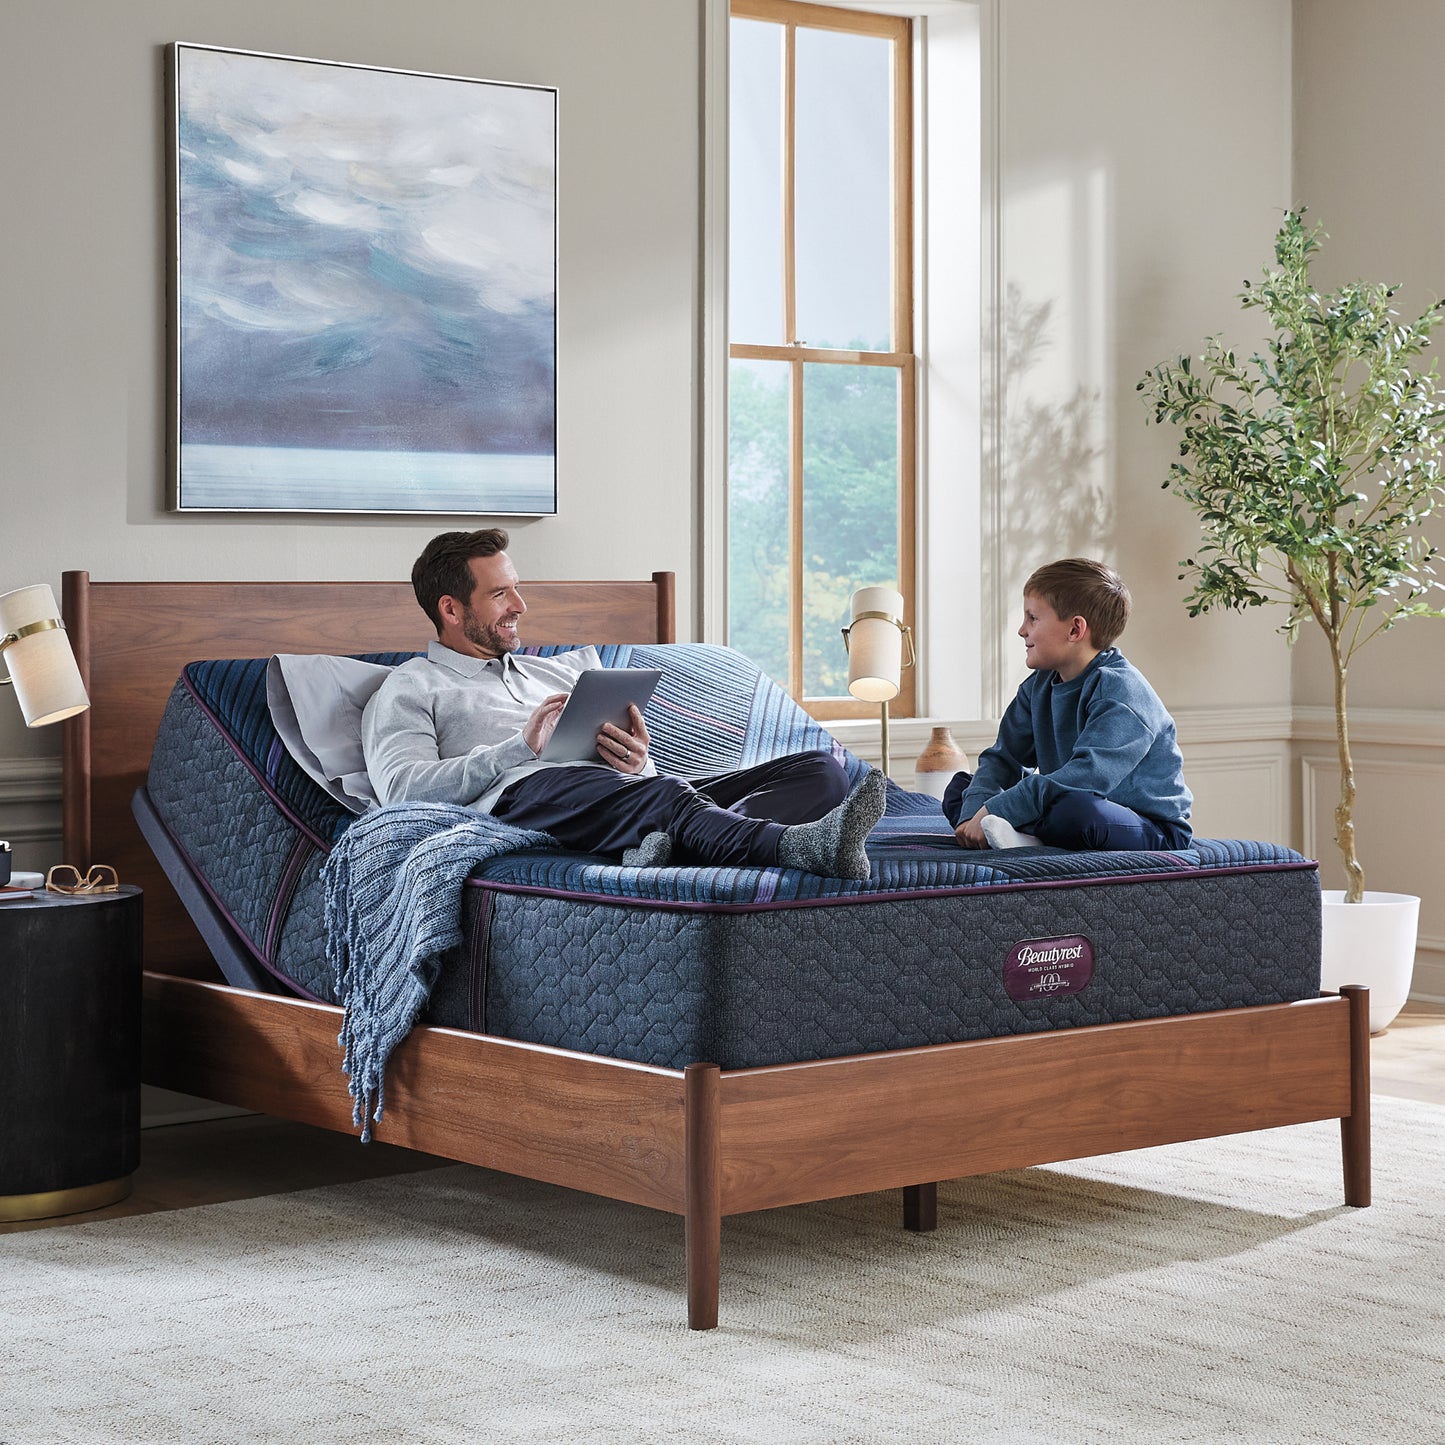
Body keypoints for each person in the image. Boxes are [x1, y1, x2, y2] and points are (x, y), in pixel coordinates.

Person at [361, 529, 886, 879]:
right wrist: (517, 749)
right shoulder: (410, 687)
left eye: (517, 589)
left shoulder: (559, 668)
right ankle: (794, 847)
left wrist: (640, 761)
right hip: (525, 796)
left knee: (820, 772)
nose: (520, 606)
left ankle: (675, 849)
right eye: (500, 594)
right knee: (663, 797)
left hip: (628, 792)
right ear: (450, 609)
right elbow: (403, 792)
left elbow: (642, 780)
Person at [945, 557, 1192, 852]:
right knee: (961, 788)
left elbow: (1088, 776)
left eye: (1033, 618)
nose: (1022, 630)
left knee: (1075, 812)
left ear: (1075, 630)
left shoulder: (1122, 691)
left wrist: (998, 809)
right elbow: (1003, 759)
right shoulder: (1038, 685)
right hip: (1068, 796)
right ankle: (1019, 834)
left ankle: (1022, 835)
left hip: (1149, 825)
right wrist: (975, 813)